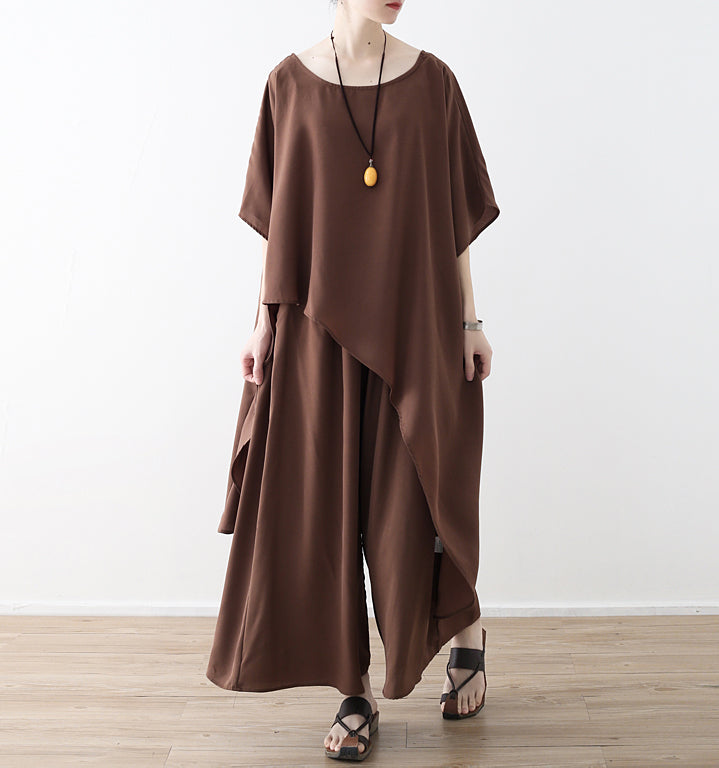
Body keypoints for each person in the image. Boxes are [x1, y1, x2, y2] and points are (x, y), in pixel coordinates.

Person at [206, 0, 500, 760]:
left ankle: (467, 629)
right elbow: (279, 221)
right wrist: (263, 321)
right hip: (316, 326)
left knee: (420, 498)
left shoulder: (434, 84)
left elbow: (456, 217)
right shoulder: (288, 84)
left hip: (414, 319)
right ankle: (353, 687)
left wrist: (470, 320)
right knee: (329, 510)